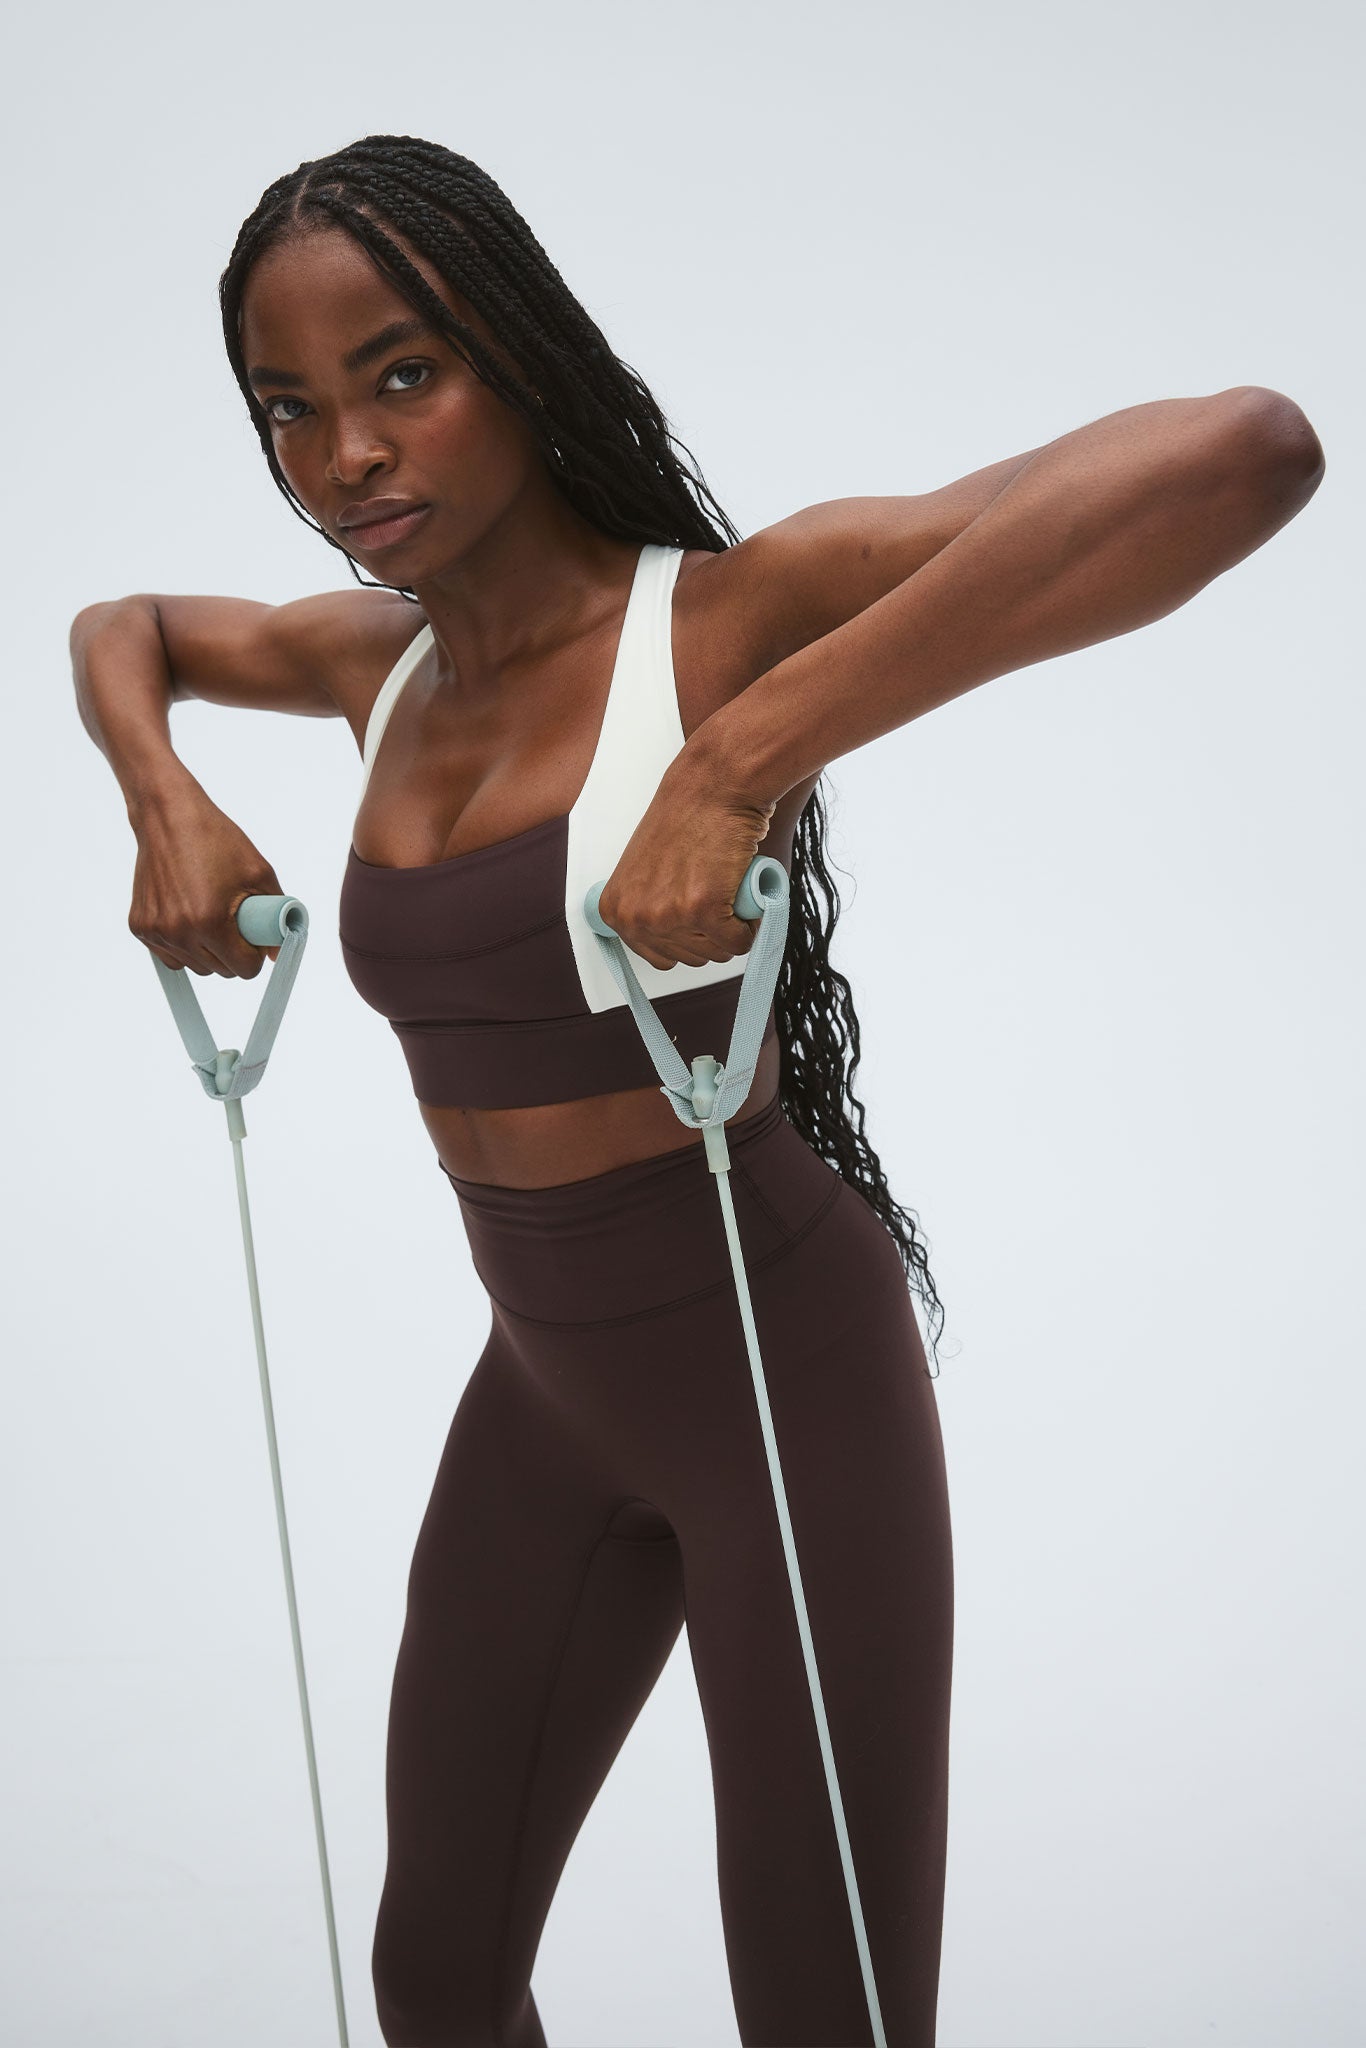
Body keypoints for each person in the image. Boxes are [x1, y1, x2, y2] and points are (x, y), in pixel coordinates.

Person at [70, 135, 1323, 2048]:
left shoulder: (726, 615)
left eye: (404, 373)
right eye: (290, 410)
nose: (347, 457)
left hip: (779, 1378)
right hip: (543, 1393)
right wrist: (163, 793)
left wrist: (745, 755)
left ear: (520, 352)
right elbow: (122, 630)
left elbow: (1241, 451)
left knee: (822, 2011)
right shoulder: (373, 670)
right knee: (435, 1978)